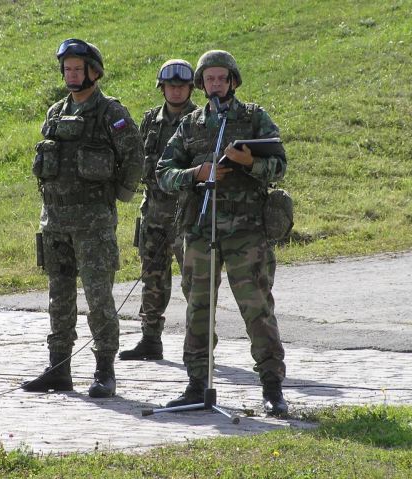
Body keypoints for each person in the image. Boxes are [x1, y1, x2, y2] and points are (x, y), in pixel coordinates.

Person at [155, 50, 289, 416]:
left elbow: (279, 165)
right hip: (202, 229)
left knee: (257, 308)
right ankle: (197, 384)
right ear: (202, 84)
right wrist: (196, 173)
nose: (215, 85)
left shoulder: (254, 117)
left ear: (232, 81)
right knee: (198, 308)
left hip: (247, 232)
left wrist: (250, 162)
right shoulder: (191, 125)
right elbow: (164, 173)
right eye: (209, 79)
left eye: (221, 78)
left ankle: (272, 386)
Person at [22, 38, 144, 398]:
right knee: (59, 298)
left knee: (98, 299)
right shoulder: (55, 112)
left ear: (94, 72)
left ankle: (105, 370)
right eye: (68, 69)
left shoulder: (110, 113)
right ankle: (58, 368)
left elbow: (134, 157)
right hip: (55, 223)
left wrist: (118, 196)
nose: (72, 75)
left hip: (93, 226)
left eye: (78, 69)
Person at [119, 59, 197, 361]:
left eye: (181, 86)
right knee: (152, 278)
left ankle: (199, 345)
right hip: (153, 212)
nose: (176, 91)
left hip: (186, 214)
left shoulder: (200, 120)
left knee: (194, 282)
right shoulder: (151, 120)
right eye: (170, 86)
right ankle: (150, 339)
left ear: (190, 88)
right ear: (162, 88)